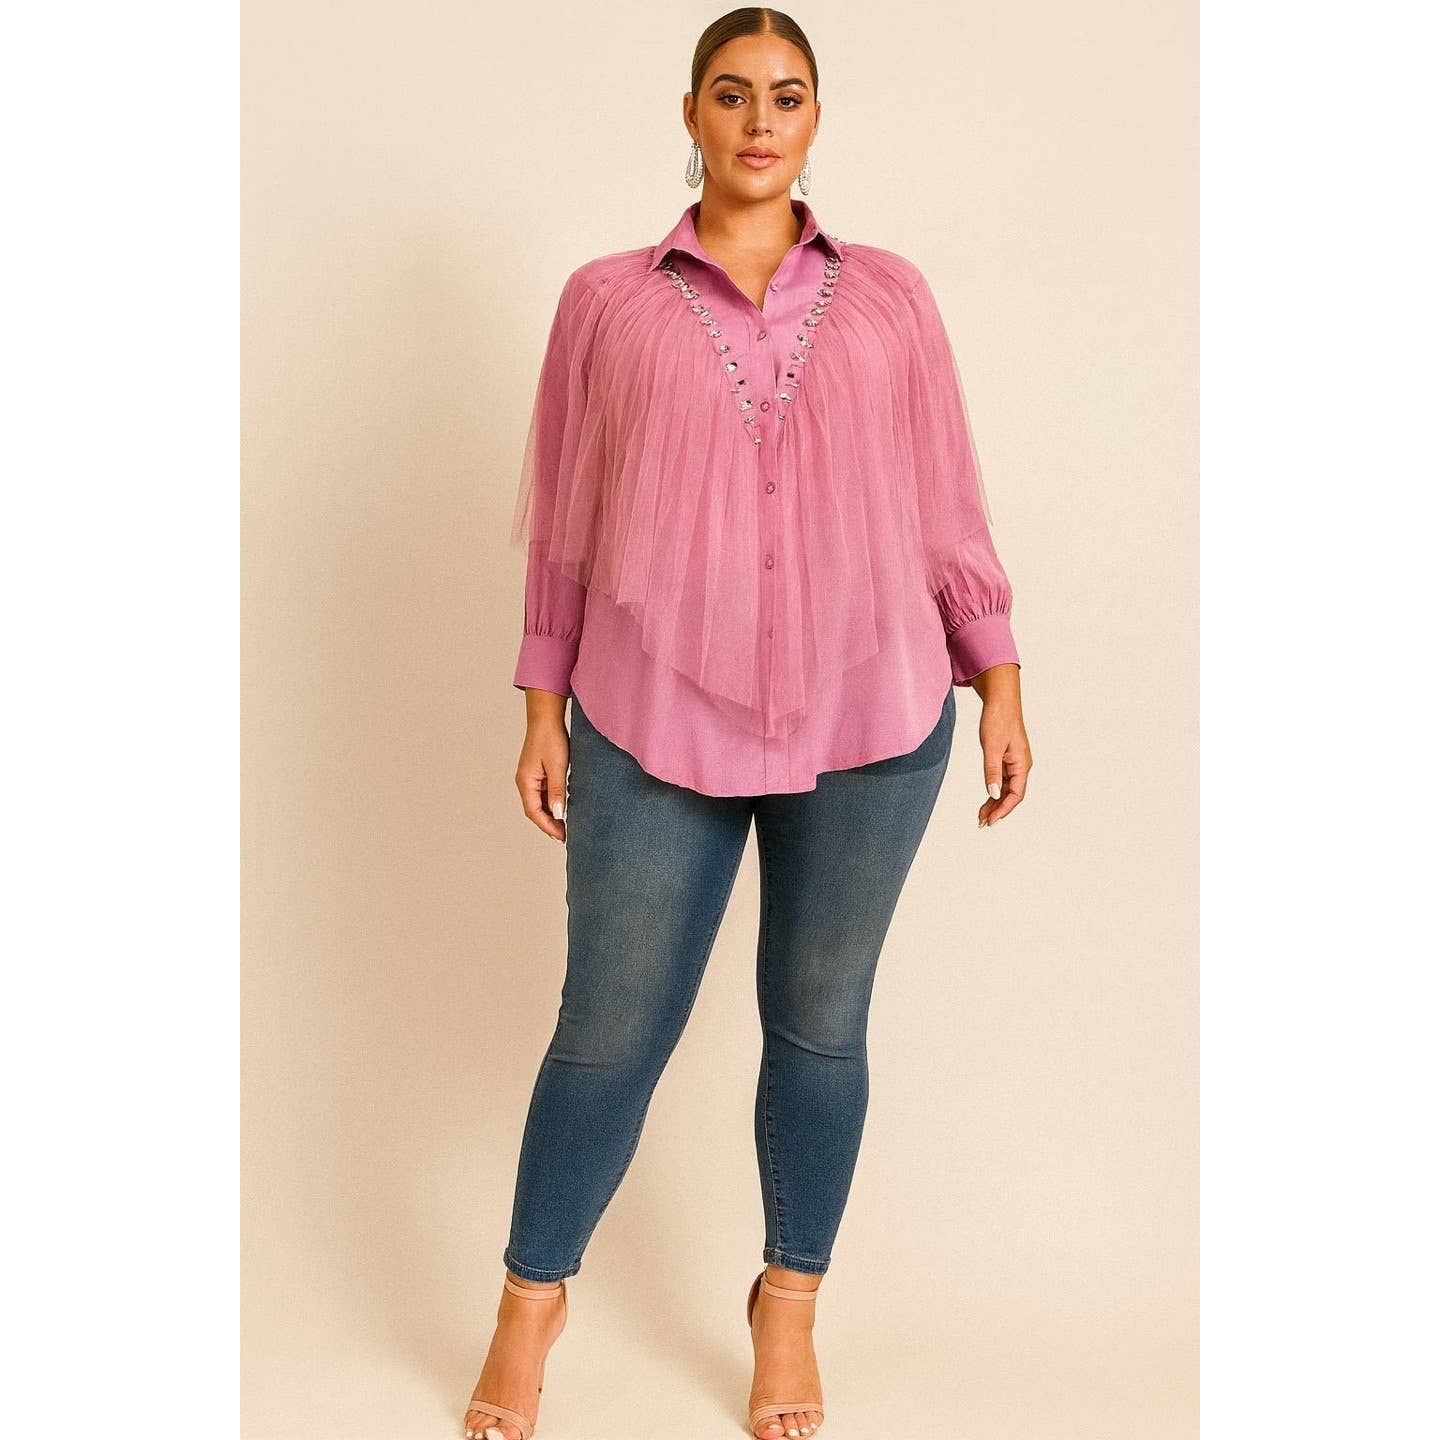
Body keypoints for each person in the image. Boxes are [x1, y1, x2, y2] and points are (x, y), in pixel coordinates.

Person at [465, 8, 1033, 1439]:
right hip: (653, 717)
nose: (759, 120)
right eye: (731, 94)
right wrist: (542, 705)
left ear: (816, 118)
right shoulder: (605, 304)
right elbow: (566, 524)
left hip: (873, 715)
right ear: (691, 114)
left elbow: (945, 494)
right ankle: (530, 1303)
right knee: (606, 1030)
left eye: (786, 96)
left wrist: (998, 672)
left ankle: (789, 1303)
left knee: (822, 1024)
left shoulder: (891, 298)